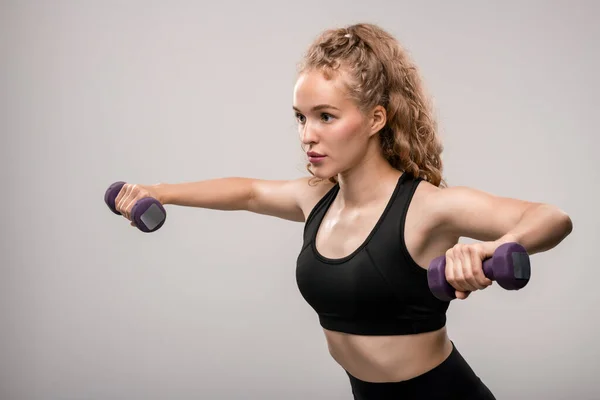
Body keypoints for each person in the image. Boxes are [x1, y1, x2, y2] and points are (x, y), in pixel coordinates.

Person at [113, 23, 573, 400]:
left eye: (326, 116)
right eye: (301, 116)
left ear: (375, 119)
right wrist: (158, 191)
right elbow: (249, 192)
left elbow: (551, 217)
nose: (307, 135)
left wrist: (498, 245)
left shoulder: (425, 208)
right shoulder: (317, 199)